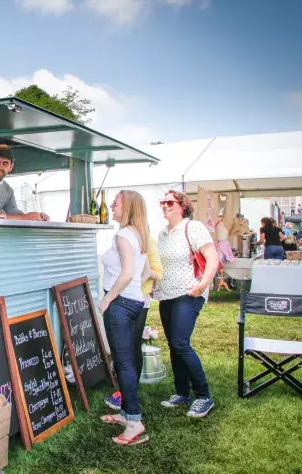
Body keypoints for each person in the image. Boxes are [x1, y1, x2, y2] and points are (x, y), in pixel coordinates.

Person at [153, 190, 218, 419]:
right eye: (162, 202)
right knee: (173, 344)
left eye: (169, 202)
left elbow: (213, 258)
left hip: (190, 291)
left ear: (182, 205)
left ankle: (204, 396)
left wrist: (202, 285)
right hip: (167, 294)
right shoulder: (162, 234)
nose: (164, 206)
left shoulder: (194, 227)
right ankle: (182, 392)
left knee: (181, 342)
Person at [97, 190, 152, 445]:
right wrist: (132, 295)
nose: (111, 206)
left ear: (127, 207)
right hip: (134, 303)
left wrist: (108, 299)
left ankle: (134, 421)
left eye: (116, 203)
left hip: (119, 304)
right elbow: (147, 271)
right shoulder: (139, 234)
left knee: (123, 363)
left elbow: (129, 272)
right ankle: (126, 412)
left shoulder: (122, 235)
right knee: (127, 360)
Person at [104, 233, 161, 413]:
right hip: (124, 298)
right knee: (125, 351)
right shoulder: (125, 236)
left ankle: (129, 399)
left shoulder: (145, 238)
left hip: (134, 299)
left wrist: (136, 283)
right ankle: (128, 398)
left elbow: (157, 271)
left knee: (131, 347)